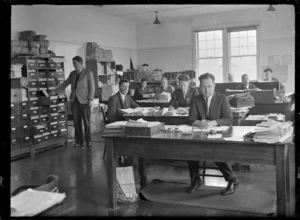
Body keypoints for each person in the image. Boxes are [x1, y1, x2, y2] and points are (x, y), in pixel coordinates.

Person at [187, 72, 238, 196]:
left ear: (214, 86)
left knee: (215, 151)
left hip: (219, 134)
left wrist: (214, 123)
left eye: (209, 86)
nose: (206, 89)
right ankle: (195, 179)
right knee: (189, 148)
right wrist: (198, 122)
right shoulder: (196, 99)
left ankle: (232, 180)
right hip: (201, 135)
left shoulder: (222, 99)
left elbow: (229, 119)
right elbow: (190, 118)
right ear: (199, 87)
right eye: (203, 86)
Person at [50, 56, 95, 148]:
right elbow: (65, 83)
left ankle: (88, 140)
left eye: (75, 63)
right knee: (76, 122)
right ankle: (79, 141)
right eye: (73, 63)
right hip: (75, 100)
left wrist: (91, 99)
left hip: (85, 100)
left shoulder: (88, 72)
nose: (73, 65)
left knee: (86, 122)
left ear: (80, 63)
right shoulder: (72, 74)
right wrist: (55, 91)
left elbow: (92, 87)